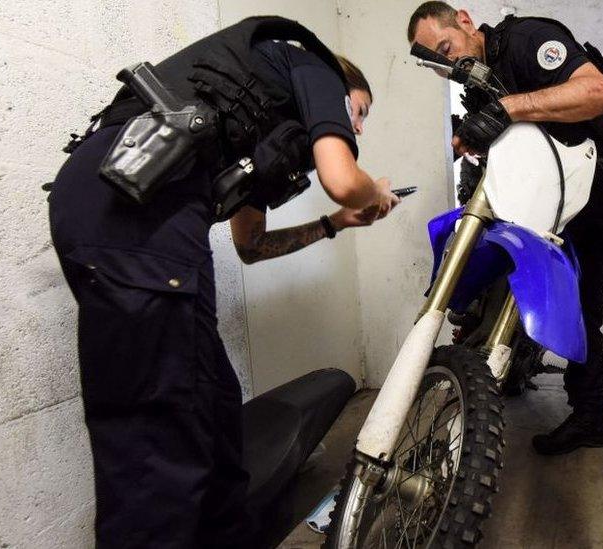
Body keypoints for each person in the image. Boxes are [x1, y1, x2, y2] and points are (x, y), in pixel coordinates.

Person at [48, 16, 399, 548]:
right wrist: (372, 192)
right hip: (133, 220)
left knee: (211, 406)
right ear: (341, 88)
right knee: (160, 446)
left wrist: (334, 224)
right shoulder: (316, 65)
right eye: (360, 111)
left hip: (122, 218)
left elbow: (250, 246)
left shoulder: (256, 132)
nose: (360, 128)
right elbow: (342, 178)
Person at [408, 2, 603, 482]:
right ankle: (590, 417)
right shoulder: (478, 84)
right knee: (580, 312)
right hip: (568, 206)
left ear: (465, 21)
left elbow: (601, 94)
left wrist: (506, 108)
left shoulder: (528, 39)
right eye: (441, 65)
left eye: (448, 49)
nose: (453, 67)